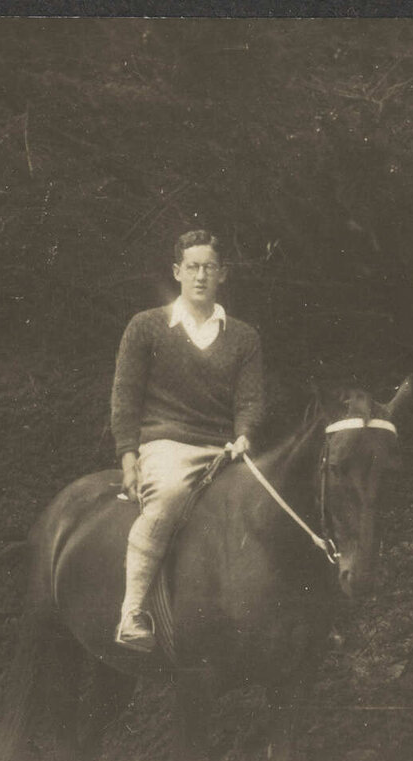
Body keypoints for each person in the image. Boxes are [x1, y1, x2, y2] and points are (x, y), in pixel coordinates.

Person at [109, 230, 264, 651]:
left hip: (225, 449)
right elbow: (125, 400)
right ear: (177, 272)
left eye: (209, 267)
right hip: (166, 446)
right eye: (192, 267)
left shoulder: (244, 337)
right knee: (171, 495)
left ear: (222, 274)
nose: (200, 276)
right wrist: (129, 461)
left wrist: (245, 436)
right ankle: (133, 612)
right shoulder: (146, 327)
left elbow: (249, 400)